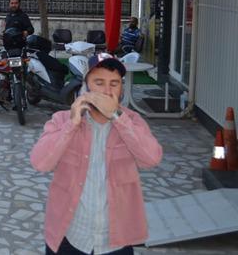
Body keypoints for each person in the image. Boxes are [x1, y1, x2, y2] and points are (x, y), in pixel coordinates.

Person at [30, 54, 163, 255]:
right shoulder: (62, 120)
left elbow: (151, 158)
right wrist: (72, 125)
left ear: (121, 89)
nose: (107, 91)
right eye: (99, 82)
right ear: (86, 87)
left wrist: (118, 117)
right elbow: (40, 163)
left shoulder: (132, 121)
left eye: (114, 83)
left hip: (115, 240)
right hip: (69, 236)